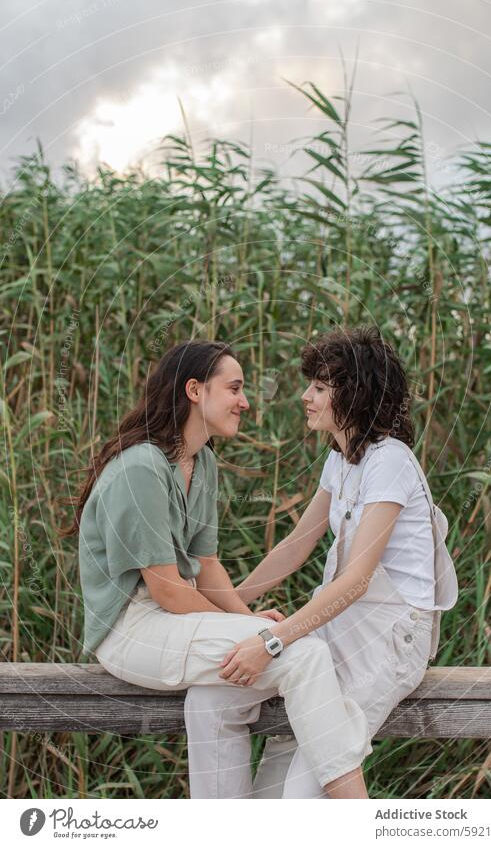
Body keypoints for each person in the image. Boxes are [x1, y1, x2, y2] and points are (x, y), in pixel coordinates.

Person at [62, 339, 373, 799]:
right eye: (234, 388)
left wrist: (249, 623)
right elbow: (168, 591)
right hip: (130, 629)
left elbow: (206, 565)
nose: (245, 402)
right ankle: (354, 813)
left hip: (174, 622)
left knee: (222, 692)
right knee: (303, 654)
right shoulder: (144, 467)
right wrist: (250, 630)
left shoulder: (200, 460)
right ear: (194, 390)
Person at [184, 326, 458, 798]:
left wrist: (269, 641)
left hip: (387, 642)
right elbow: (294, 546)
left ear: (354, 393)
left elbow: (356, 580)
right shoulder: (342, 460)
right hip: (335, 631)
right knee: (211, 699)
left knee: (300, 800)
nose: (305, 396)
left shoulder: (390, 461)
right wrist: (224, 604)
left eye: (319, 386)